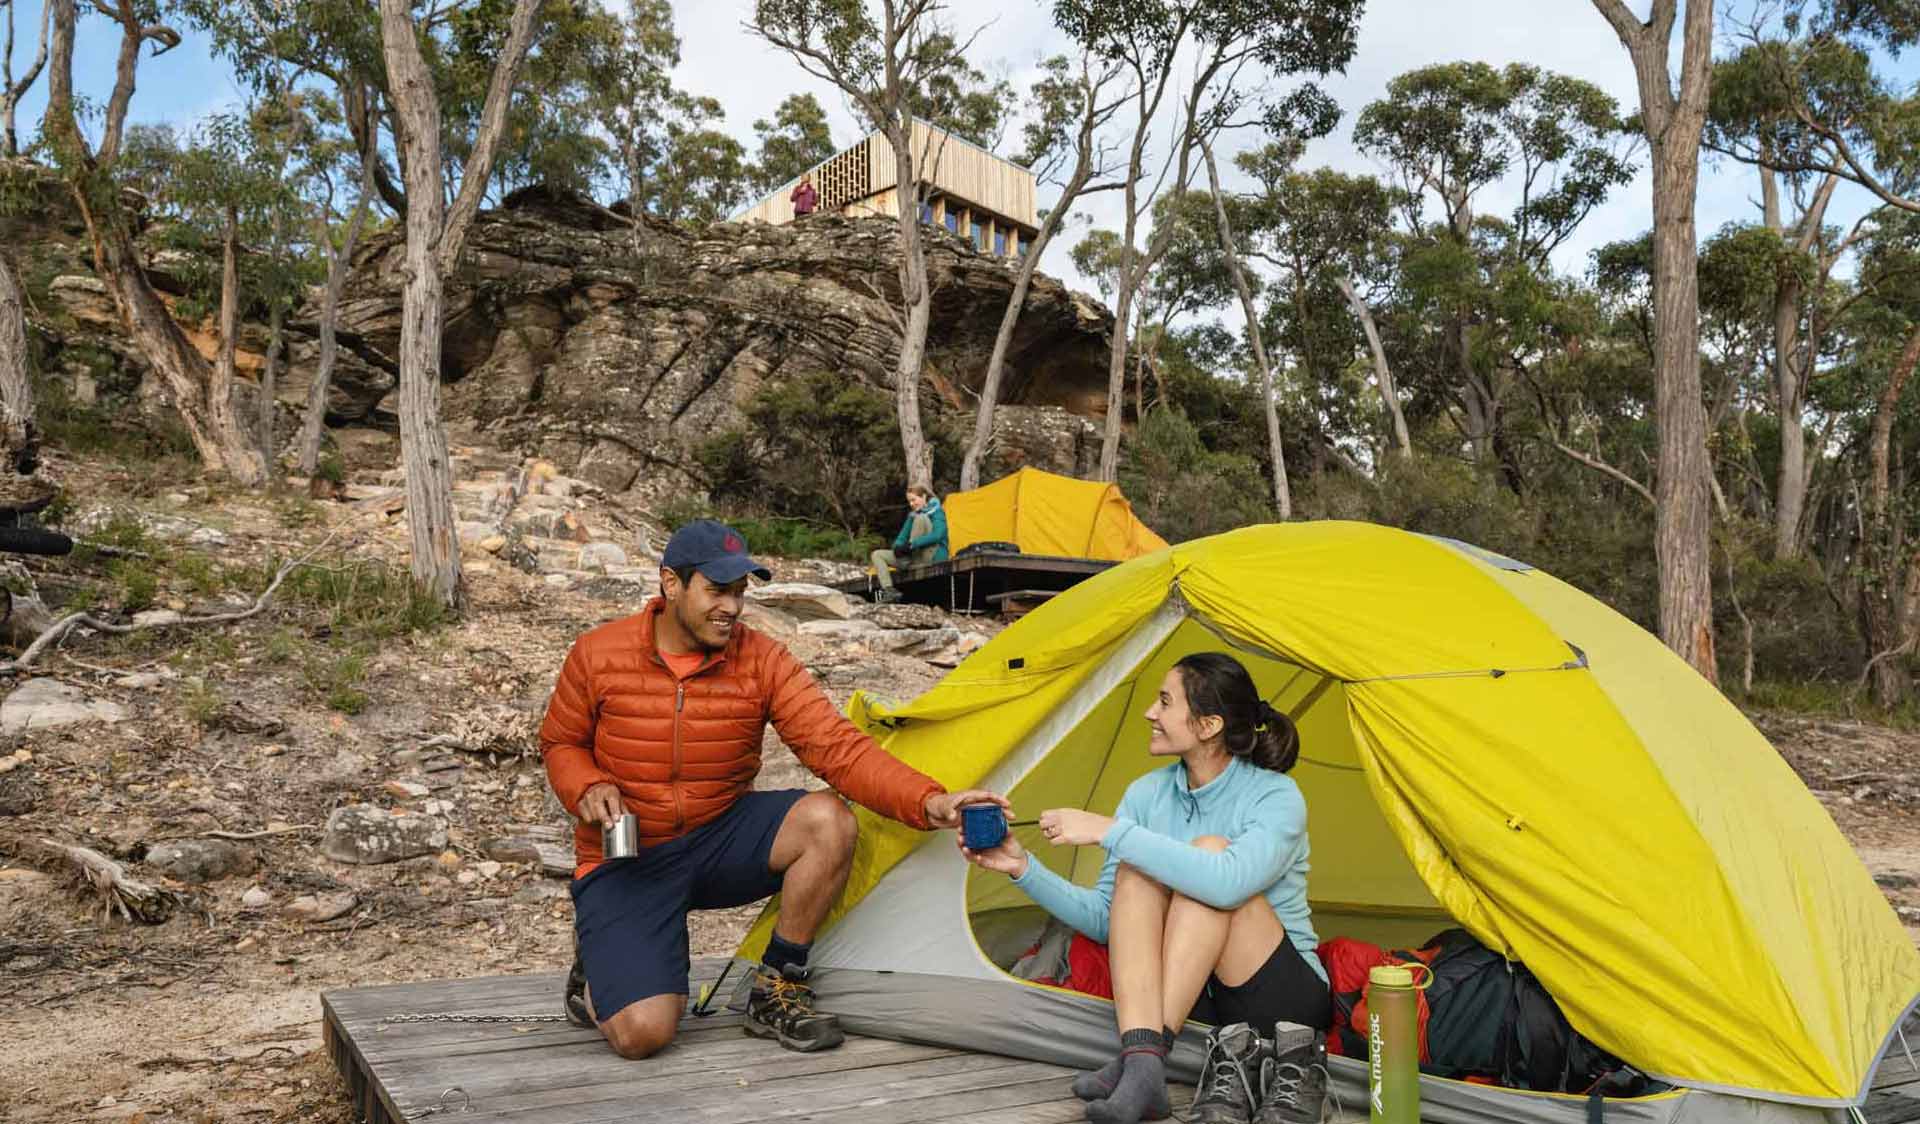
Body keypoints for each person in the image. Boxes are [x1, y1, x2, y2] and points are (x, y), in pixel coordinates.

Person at [541, 518, 1004, 1060]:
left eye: (739, 593)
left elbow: (836, 747)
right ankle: (600, 957)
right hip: (629, 856)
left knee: (827, 820)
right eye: (717, 590)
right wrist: (587, 784)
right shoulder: (598, 653)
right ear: (671, 584)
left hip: (718, 836)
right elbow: (560, 742)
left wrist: (929, 800)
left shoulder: (762, 659)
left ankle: (777, 984)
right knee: (643, 1035)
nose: (733, 608)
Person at [960, 652, 1331, 1124]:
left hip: (1279, 997)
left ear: (1208, 724)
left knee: (1210, 854)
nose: (1149, 713)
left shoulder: (1275, 796)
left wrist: (1110, 831)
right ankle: (1144, 1064)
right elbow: (1105, 918)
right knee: (1138, 871)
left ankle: (1141, 1062)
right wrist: (1022, 867)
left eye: (1164, 701)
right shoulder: (1146, 794)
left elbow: (1226, 884)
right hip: (1198, 1003)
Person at [868, 484, 947, 604]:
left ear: (924, 497)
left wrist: (911, 545)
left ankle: (907, 558)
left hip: (932, 556)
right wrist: (898, 548)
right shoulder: (913, 515)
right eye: (909, 501)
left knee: (921, 518)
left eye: (913, 500)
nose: (911, 504)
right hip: (912, 558)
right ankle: (889, 591)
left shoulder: (937, 511)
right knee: (877, 554)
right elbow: (901, 538)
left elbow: (938, 535)